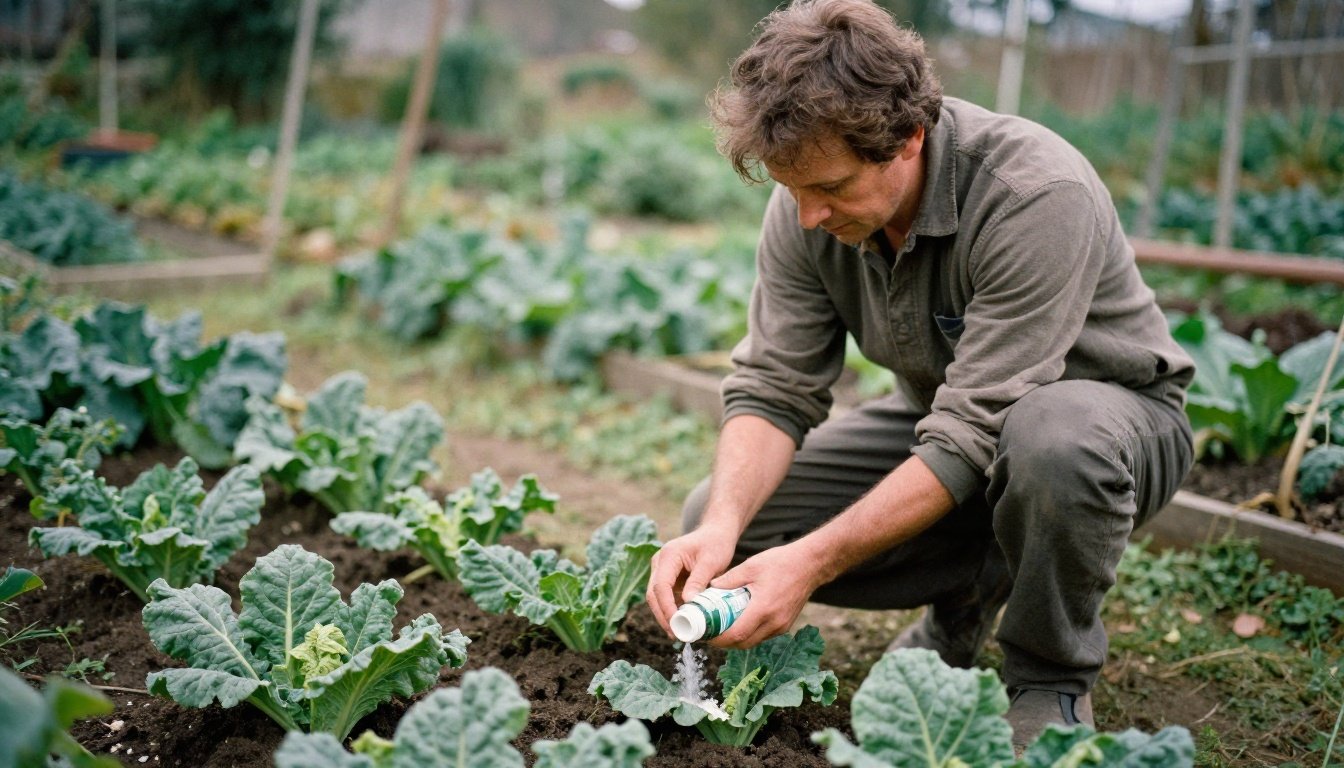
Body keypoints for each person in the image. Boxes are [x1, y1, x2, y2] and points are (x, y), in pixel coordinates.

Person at [644, 0, 1195, 746]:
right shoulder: (805, 206)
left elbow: (980, 428)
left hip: (1110, 432)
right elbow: (775, 385)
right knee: (730, 519)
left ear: (908, 137)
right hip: (951, 424)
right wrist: (720, 528)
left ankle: (1049, 677)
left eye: (830, 189)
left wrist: (810, 565)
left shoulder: (1032, 192)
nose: (808, 215)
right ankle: (966, 603)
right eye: (791, 188)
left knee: (1051, 439)